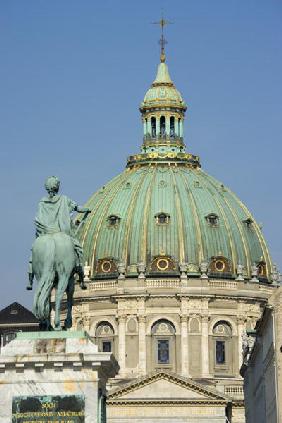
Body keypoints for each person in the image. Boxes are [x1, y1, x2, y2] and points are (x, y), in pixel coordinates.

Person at [28, 176, 90, 288]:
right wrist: (88, 210)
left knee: (34, 251)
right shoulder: (64, 199)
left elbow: (39, 219)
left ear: (47, 188)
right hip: (61, 232)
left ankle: (30, 278)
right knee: (78, 250)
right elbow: (78, 208)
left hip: (45, 232)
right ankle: (80, 271)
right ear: (57, 187)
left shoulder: (42, 202)